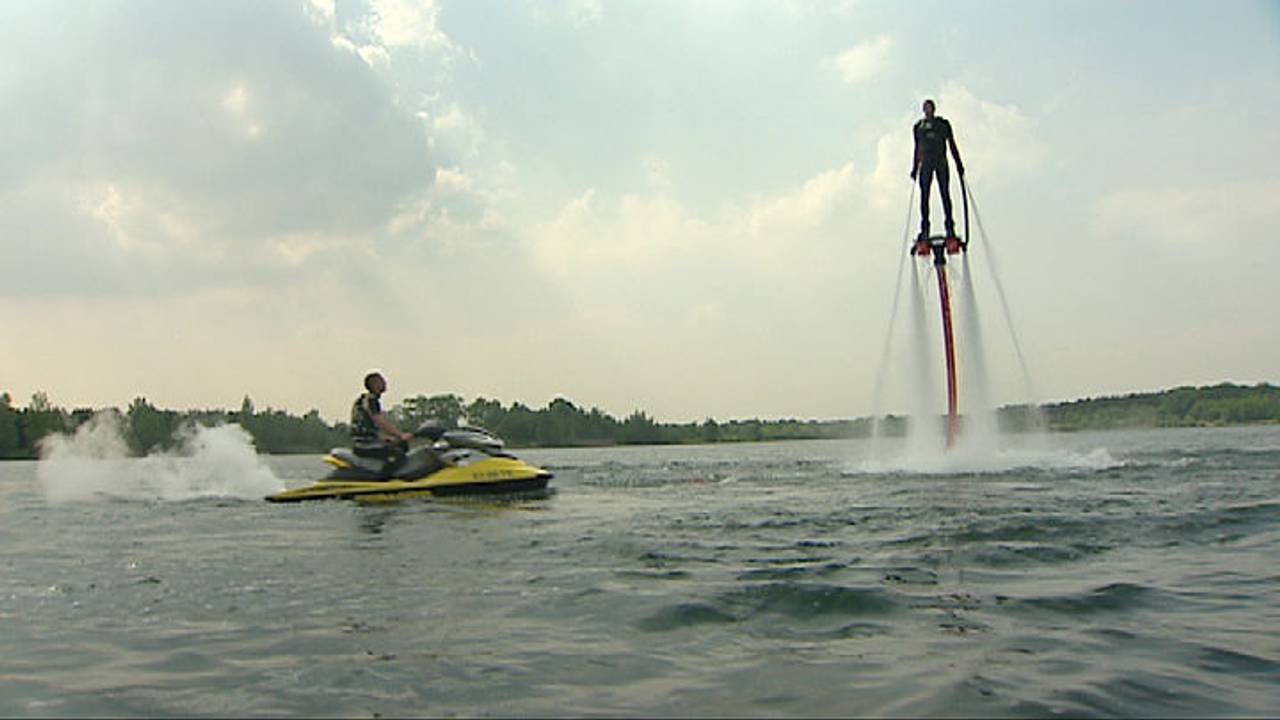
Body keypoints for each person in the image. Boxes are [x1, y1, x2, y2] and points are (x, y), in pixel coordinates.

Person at [910, 99, 965, 240]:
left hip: (940, 161)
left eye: (930, 107)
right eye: (926, 108)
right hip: (926, 164)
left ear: (934, 109)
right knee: (924, 197)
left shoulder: (942, 125)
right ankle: (925, 229)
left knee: (945, 194)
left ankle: (950, 227)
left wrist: (958, 164)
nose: (928, 110)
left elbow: (952, 144)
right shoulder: (919, 127)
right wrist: (915, 168)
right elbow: (917, 149)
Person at [350, 371, 413, 471]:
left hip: (367, 441)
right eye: (382, 381)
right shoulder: (371, 400)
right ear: (374, 384)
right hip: (365, 444)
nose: (385, 383)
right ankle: (387, 477)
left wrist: (386, 437)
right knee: (397, 454)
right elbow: (379, 421)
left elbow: (368, 426)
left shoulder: (363, 399)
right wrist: (400, 435)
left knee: (401, 444)